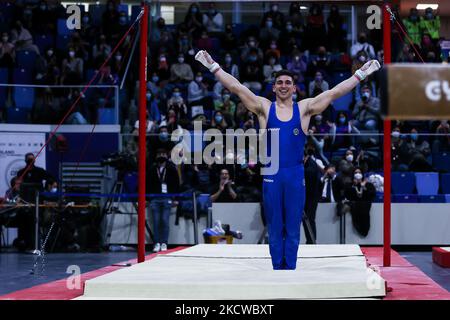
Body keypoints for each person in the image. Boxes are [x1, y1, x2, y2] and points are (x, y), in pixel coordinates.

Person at [195, 50, 380, 269]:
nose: (283, 85)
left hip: (294, 175)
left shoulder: (304, 109)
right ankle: (277, 270)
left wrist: (359, 74)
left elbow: (334, 93)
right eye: (279, 82)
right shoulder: (264, 108)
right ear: (274, 87)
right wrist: (213, 66)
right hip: (272, 174)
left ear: (294, 88)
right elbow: (236, 87)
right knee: (275, 226)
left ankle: (289, 269)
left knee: (292, 226)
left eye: (288, 82)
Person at [147, 148, 180, 253]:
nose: (161, 156)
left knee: (165, 221)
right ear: (156, 156)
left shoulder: (171, 168)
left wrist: (175, 198)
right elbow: (147, 184)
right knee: (156, 222)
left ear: (167, 156)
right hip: (155, 199)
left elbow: (176, 184)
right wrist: (147, 198)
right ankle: (157, 243)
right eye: (159, 154)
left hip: (167, 198)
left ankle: (164, 242)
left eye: (163, 154)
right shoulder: (152, 168)